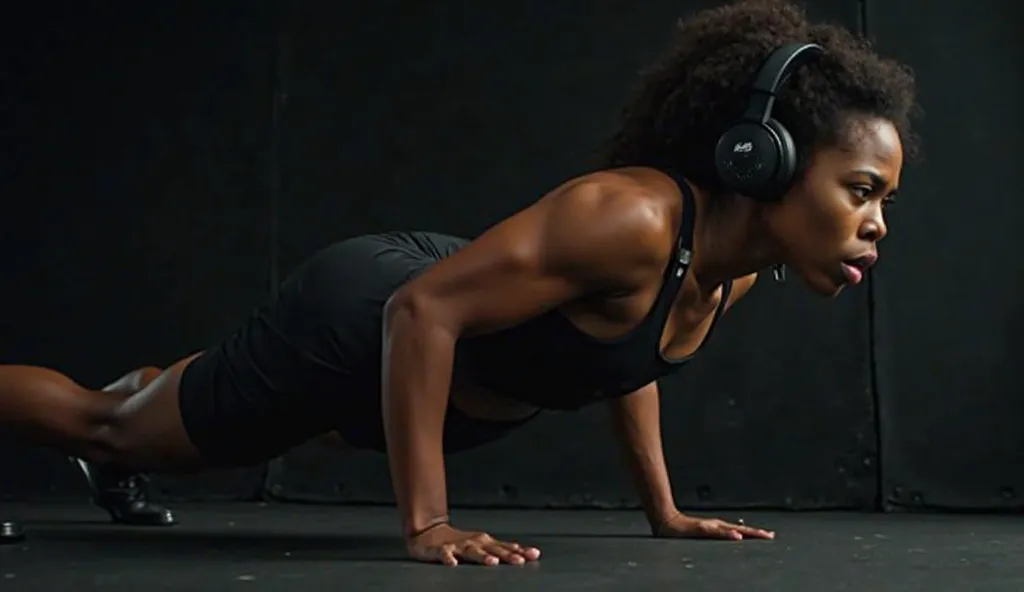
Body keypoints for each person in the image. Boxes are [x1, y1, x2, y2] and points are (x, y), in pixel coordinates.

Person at [0, 0, 919, 567]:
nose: (876, 221)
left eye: (884, 199)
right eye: (861, 190)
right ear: (764, 163)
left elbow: (625, 357)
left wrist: (665, 514)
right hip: (373, 318)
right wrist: (428, 525)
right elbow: (423, 308)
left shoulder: (730, 272)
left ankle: (143, 417)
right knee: (116, 425)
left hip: (436, 364)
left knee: (189, 418)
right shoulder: (630, 219)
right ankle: (116, 434)